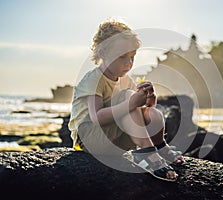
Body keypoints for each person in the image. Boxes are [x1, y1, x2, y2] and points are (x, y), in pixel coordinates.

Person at [68, 19, 184, 181]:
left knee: (153, 113)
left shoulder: (125, 80)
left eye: (132, 57)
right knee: (127, 96)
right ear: (102, 53)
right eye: (122, 57)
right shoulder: (94, 79)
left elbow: (140, 112)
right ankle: (147, 153)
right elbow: (97, 117)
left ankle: (159, 147)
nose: (128, 63)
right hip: (90, 138)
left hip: (115, 141)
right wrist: (131, 102)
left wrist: (148, 99)